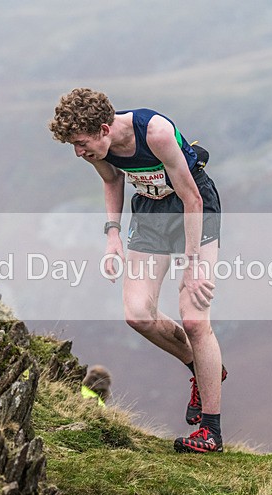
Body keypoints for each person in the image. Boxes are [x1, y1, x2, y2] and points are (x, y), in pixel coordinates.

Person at [49, 88, 227, 453]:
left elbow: (192, 197)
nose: (78, 153)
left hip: (193, 208)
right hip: (149, 212)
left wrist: (192, 264)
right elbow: (112, 180)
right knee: (137, 314)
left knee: (194, 319)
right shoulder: (96, 146)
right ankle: (202, 366)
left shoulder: (155, 133)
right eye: (73, 146)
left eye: (82, 144)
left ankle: (211, 432)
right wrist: (112, 235)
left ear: (103, 128)